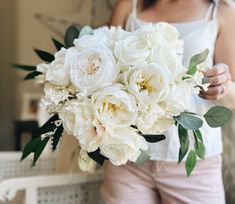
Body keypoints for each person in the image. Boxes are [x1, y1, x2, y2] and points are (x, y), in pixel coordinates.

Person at [100, 0, 235, 203]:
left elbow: (232, 96)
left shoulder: (220, 13)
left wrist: (222, 86)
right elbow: (105, 74)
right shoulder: (128, 7)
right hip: (128, 158)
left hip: (195, 165)